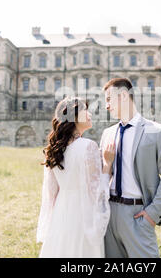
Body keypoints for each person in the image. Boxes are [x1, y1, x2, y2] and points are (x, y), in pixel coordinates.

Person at [100, 78, 161, 258]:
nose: (106, 105)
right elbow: (104, 172)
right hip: (110, 214)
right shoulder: (107, 133)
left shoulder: (156, 130)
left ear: (123, 96)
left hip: (138, 215)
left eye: (109, 99)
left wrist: (152, 214)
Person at [36, 97, 116, 257]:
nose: (90, 114)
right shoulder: (88, 146)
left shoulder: (54, 149)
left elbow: (51, 193)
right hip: (82, 213)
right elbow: (96, 191)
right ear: (74, 116)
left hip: (61, 211)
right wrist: (107, 164)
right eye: (85, 110)